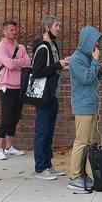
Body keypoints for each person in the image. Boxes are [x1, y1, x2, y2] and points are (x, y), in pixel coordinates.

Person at [67, 25, 102, 192]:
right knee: (81, 142)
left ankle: (83, 174)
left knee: (88, 143)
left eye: (97, 42)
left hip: (91, 104)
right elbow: (85, 78)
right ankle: (74, 176)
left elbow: (93, 77)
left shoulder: (89, 58)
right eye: (94, 42)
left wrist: (99, 68)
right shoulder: (76, 59)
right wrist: (96, 62)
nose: (96, 46)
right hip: (82, 105)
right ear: (87, 41)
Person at [29, 15, 70, 180]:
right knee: (42, 132)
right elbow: (37, 72)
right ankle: (40, 167)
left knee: (49, 132)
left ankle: (48, 164)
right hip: (44, 96)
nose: (58, 28)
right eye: (56, 25)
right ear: (47, 28)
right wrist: (57, 65)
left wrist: (61, 63)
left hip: (52, 95)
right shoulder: (42, 48)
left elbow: (53, 68)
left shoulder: (54, 45)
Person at [0, 19, 31, 160]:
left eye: (15, 30)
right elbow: (9, 63)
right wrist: (19, 62)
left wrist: (17, 63)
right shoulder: (1, 47)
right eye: (11, 30)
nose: (14, 32)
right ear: (5, 31)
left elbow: (28, 63)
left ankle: (9, 147)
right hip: (6, 86)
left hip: (19, 86)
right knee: (6, 118)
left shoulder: (20, 47)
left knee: (15, 118)